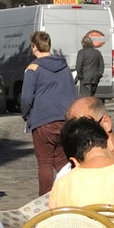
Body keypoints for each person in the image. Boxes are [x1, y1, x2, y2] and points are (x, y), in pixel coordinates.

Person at [20, 29, 76, 189]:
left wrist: (26, 115)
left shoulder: (33, 68)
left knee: (45, 163)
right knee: (61, 160)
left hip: (43, 119)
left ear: (34, 47)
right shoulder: (64, 66)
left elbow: (26, 98)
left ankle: (46, 198)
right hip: (65, 118)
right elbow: (72, 91)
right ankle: (71, 191)